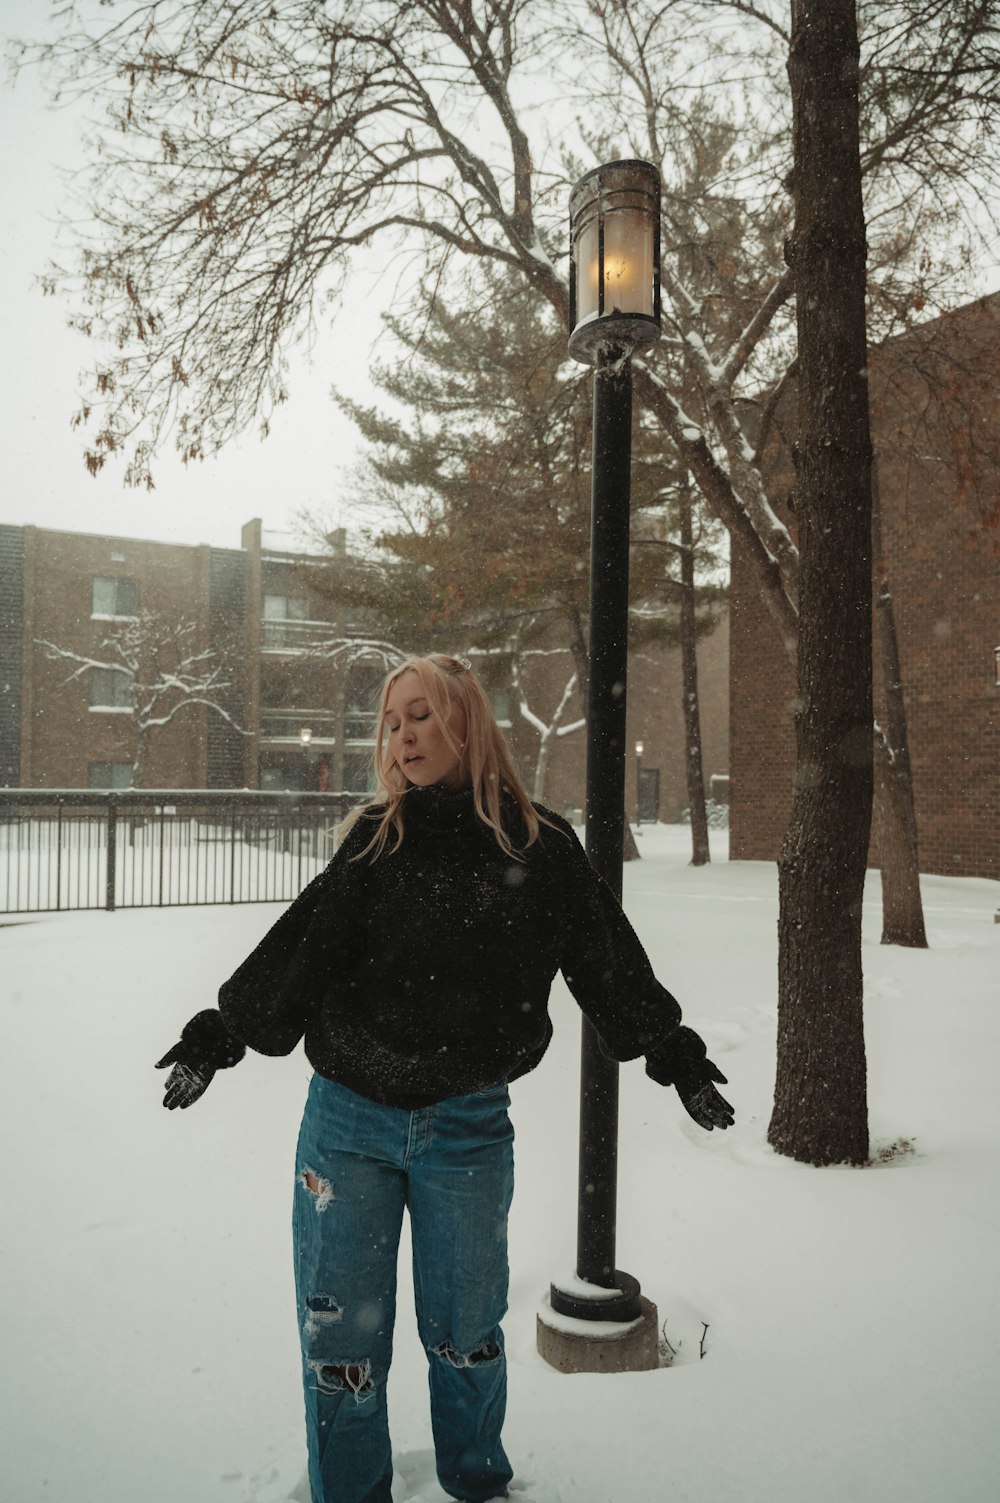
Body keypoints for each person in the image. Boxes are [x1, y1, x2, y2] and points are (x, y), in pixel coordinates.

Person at [156, 653, 734, 1503]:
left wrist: (672, 1052)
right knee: (342, 1351)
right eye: (391, 722)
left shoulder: (538, 846)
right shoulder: (376, 840)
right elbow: (301, 950)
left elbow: (604, 962)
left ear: (467, 719)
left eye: (420, 714)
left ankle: (477, 1485)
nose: (402, 735)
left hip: (466, 1126)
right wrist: (222, 1033)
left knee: (467, 1337)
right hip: (347, 1126)